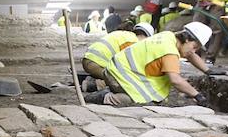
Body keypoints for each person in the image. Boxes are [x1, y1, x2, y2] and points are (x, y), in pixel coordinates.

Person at [86, 22, 216, 107]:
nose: (193, 51)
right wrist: (197, 95)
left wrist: (208, 70)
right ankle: (105, 97)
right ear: (187, 39)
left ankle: (99, 86)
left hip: (116, 72)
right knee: (140, 102)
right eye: (194, 46)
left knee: (147, 98)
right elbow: (176, 80)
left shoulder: (168, 36)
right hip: (120, 76)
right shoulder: (169, 52)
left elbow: (190, 54)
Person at [81, 22, 154, 92]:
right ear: (147, 37)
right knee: (126, 82)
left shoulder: (125, 35)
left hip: (89, 61)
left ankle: (93, 79)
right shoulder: (133, 42)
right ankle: (93, 85)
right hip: (97, 64)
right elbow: (130, 67)